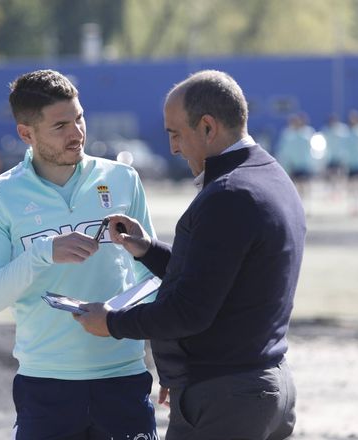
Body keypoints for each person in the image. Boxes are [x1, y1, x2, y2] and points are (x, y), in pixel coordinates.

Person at [75, 70, 306, 440]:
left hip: (228, 399)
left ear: (208, 127)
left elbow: (190, 310)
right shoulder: (270, 175)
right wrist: (147, 250)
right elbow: (216, 276)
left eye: (175, 133)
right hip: (263, 388)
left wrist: (112, 323)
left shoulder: (229, 194)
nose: (173, 148)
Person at [0, 69, 158, 440]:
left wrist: (170, 364)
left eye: (79, 118)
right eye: (60, 126)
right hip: (46, 385)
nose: (77, 133)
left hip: (123, 378)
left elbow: (149, 277)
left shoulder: (123, 179)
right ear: (27, 133)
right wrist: (42, 253)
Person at [275, 112, 316, 204]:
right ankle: (298, 203)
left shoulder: (307, 132)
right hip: (292, 165)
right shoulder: (288, 134)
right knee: (294, 186)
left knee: (305, 185)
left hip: (304, 163)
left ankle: (306, 204)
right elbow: (283, 149)